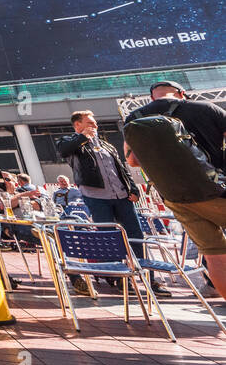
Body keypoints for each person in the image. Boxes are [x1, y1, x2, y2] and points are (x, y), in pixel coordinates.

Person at [124, 81, 226, 297]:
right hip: (217, 190)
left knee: (215, 255)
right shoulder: (205, 108)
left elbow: (132, 160)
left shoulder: (134, 118)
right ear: (182, 94)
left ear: (152, 98)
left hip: (175, 197)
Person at [60, 110, 168, 297]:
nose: (95, 126)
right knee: (109, 236)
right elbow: (64, 150)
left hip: (121, 196)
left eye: (95, 123)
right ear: (78, 125)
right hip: (96, 196)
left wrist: (133, 190)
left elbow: (122, 170)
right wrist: (83, 137)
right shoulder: (72, 143)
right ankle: (120, 278)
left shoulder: (106, 146)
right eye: (90, 123)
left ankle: (147, 278)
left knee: (135, 235)